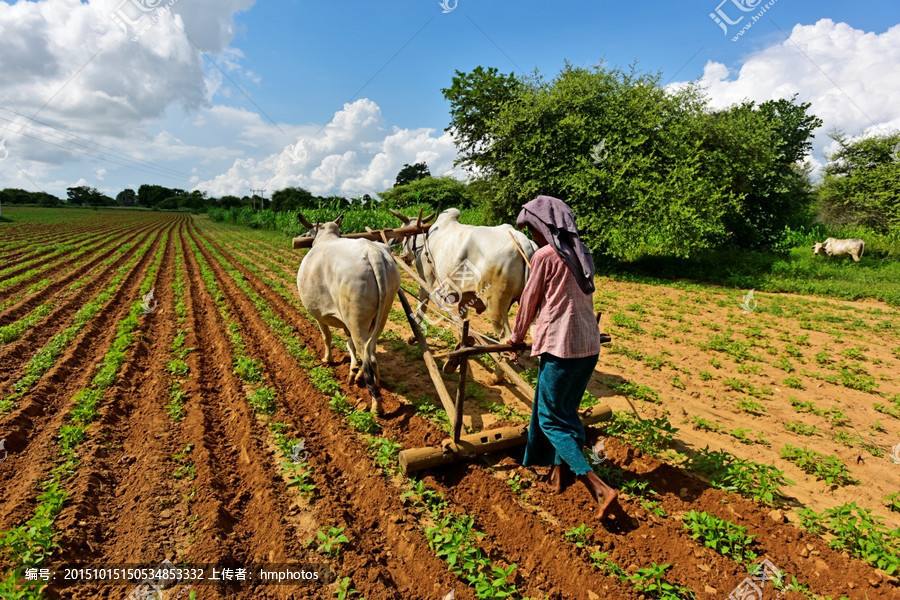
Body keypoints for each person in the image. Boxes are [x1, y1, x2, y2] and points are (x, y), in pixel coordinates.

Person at [506, 195, 620, 519]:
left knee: (550, 419)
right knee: (564, 410)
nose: (533, 235)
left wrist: (515, 338)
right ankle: (558, 473)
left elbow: (529, 302)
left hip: (560, 347)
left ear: (545, 227)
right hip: (588, 346)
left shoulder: (545, 256)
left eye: (533, 229)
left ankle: (598, 487)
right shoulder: (581, 251)